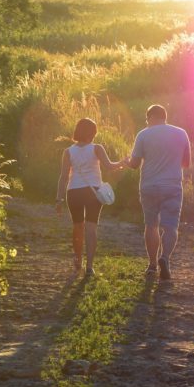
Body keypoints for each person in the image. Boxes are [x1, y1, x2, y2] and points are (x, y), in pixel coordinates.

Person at [124, 105, 191, 280]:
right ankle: (165, 258)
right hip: (172, 187)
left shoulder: (143, 135)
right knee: (171, 226)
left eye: (147, 120)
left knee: (151, 225)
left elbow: (135, 164)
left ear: (151, 117)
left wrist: (126, 161)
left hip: (149, 186)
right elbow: (186, 163)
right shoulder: (181, 133)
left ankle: (152, 265)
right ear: (164, 117)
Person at [56, 118, 124, 276]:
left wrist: (58, 199)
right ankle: (90, 267)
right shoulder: (97, 148)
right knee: (91, 228)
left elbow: (63, 177)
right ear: (92, 133)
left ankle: (78, 259)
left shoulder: (68, 151)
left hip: (73, 192)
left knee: (78, 227)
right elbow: (109, 166)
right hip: (93, 192)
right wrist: (123, 163)